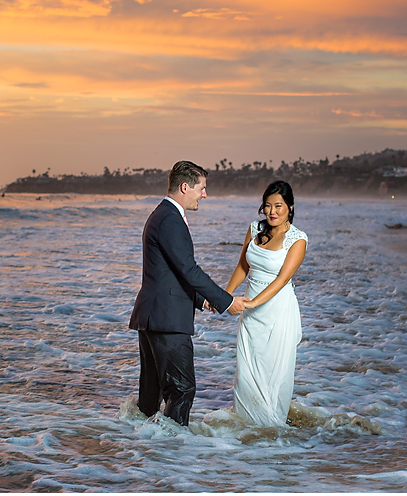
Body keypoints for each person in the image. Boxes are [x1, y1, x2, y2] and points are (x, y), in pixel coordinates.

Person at [129, 161, 247, 426]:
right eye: (202, 188)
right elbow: (188, 269)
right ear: (185, 187)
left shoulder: (162, 215)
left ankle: (142, 452)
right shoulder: (170, 219)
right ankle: (174, 457)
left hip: (155, 316)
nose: (204, 194)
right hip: (167, 320)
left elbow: (171, 272)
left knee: (151, 397)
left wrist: (203, 301)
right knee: (182, 389)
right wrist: (226, 302)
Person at [223, 180, 307, 426]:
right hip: (251, 313)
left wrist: (251, 304)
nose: (272, 212)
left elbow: (282, 280)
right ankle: (247, 428)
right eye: (268, 206)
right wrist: (224, 295)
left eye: (278, 206)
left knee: (273, 373)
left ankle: (271, 431)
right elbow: (243, 267)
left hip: (277, 312)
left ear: (290, 207)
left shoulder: (298, 239)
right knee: (247, 372)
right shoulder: (254, 229)